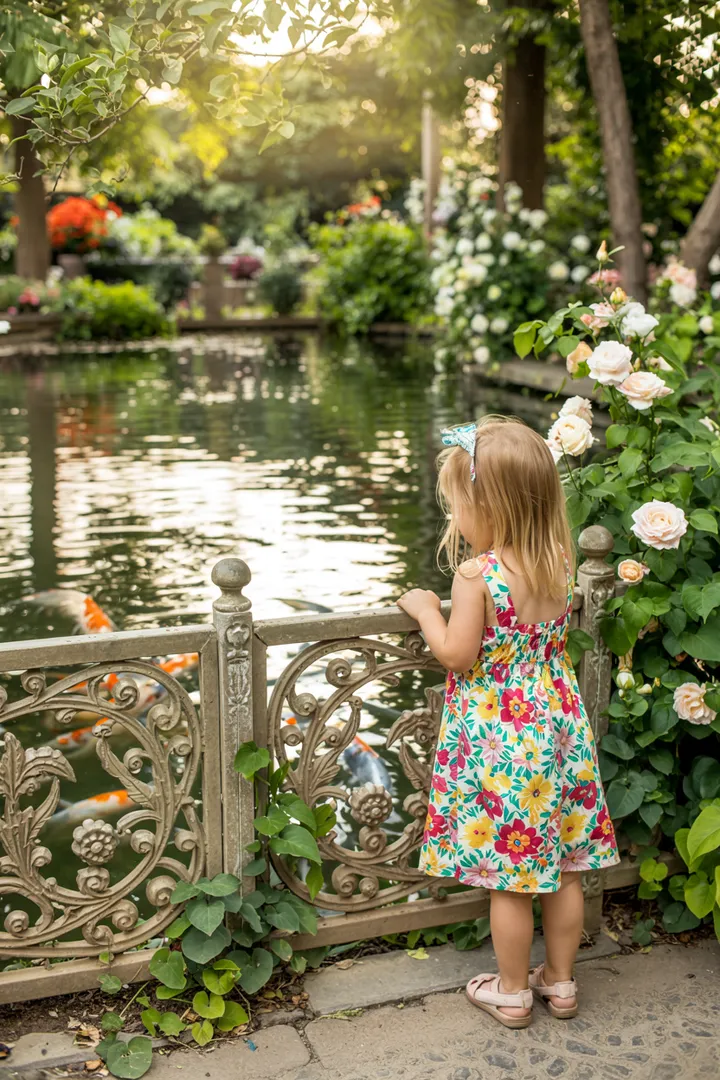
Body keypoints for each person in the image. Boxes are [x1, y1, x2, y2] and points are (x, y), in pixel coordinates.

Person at [397, 416, 619, 1030]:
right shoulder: (557, 565)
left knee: (512, 881)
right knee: (565, 869)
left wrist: (422, 609)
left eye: (457, 506)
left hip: (502, 740)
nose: (454, 520)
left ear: (487, 506)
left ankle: (514, 992)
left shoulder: (478, 576)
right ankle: (562, 983)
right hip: (557, 731)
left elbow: (455, 654)